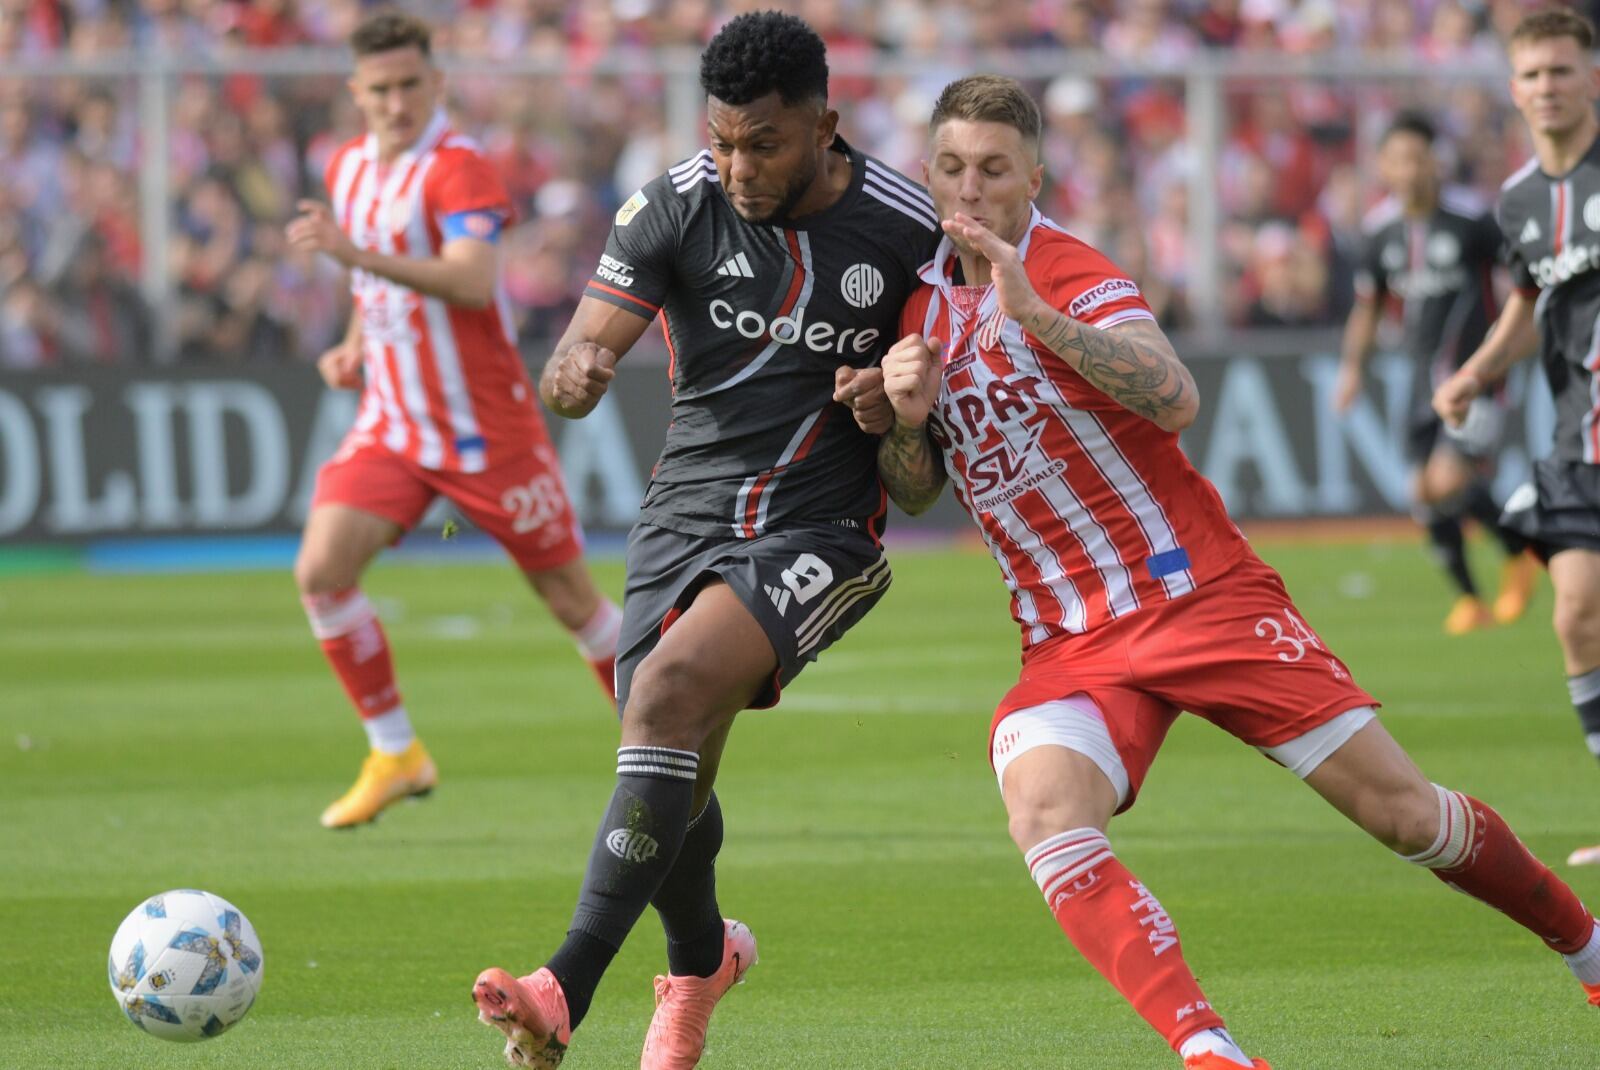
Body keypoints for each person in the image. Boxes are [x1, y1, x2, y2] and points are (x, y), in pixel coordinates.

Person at [868, 74, 1600, 1070]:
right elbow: (913, 492)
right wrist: (905, 421)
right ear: (929, 173)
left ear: (1033, 175)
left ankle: (1587, 944)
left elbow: (1172, 396)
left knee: (1404, 815)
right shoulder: (915, 311)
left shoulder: (1071, 271)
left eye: (994, 169)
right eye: (951, 168)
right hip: (1071, 639)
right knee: (1043, 807)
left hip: (1198, 595)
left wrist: (1036, 314)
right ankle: (1209, 1048)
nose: (971, 188)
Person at [469, 12, 939, 1069]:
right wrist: (577, 374)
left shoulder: (907, 228)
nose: (735, 165)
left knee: (666, 693)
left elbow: (919, 486)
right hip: (680, 518)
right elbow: (578, 359)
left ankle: (564, 983)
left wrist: (896, 415)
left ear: (825, 122)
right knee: (668, 759)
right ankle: (700, 965)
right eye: (721, 138)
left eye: (761, 144)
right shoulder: (674, 204)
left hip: (822, 529)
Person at [285, 12, 621, 830]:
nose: (396, 102)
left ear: (436, 84)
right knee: (320, 572)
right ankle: (395, 751)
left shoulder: (459, 168)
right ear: (355, 94)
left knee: (574, 604)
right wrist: (357, 341)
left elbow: (470, 282)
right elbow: (381, 286)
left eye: (410, 85)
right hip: (394, 422)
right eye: (380, 89)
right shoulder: (350, 169)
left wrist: (353, 256)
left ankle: (665, 745)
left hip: (485, 429)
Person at [1434, 8, 1600, 867]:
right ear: (1514, 90)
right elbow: (1529, 305)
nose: (1548, 87)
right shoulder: (1520, 201)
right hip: (1577, 437)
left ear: (1593, 76)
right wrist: (1476, 371)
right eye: (1533, 75)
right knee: (1575, 615)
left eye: (1563, 71)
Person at [1335, 110, 1537, 635]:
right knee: (1422, 493)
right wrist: (1352, 369)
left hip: (1476, 378)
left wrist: (1515, 345)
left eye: (1418, 157)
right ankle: (1473, 598)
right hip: (1419, 378)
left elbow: (1522, 284)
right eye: (1398, 158)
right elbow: (1369, 306)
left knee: (1448, 479)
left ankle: (1519, 551)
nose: (1409, 169)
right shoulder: (1380, 233)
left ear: (1435, 162)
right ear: (1383, 165)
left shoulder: (1472, 221)